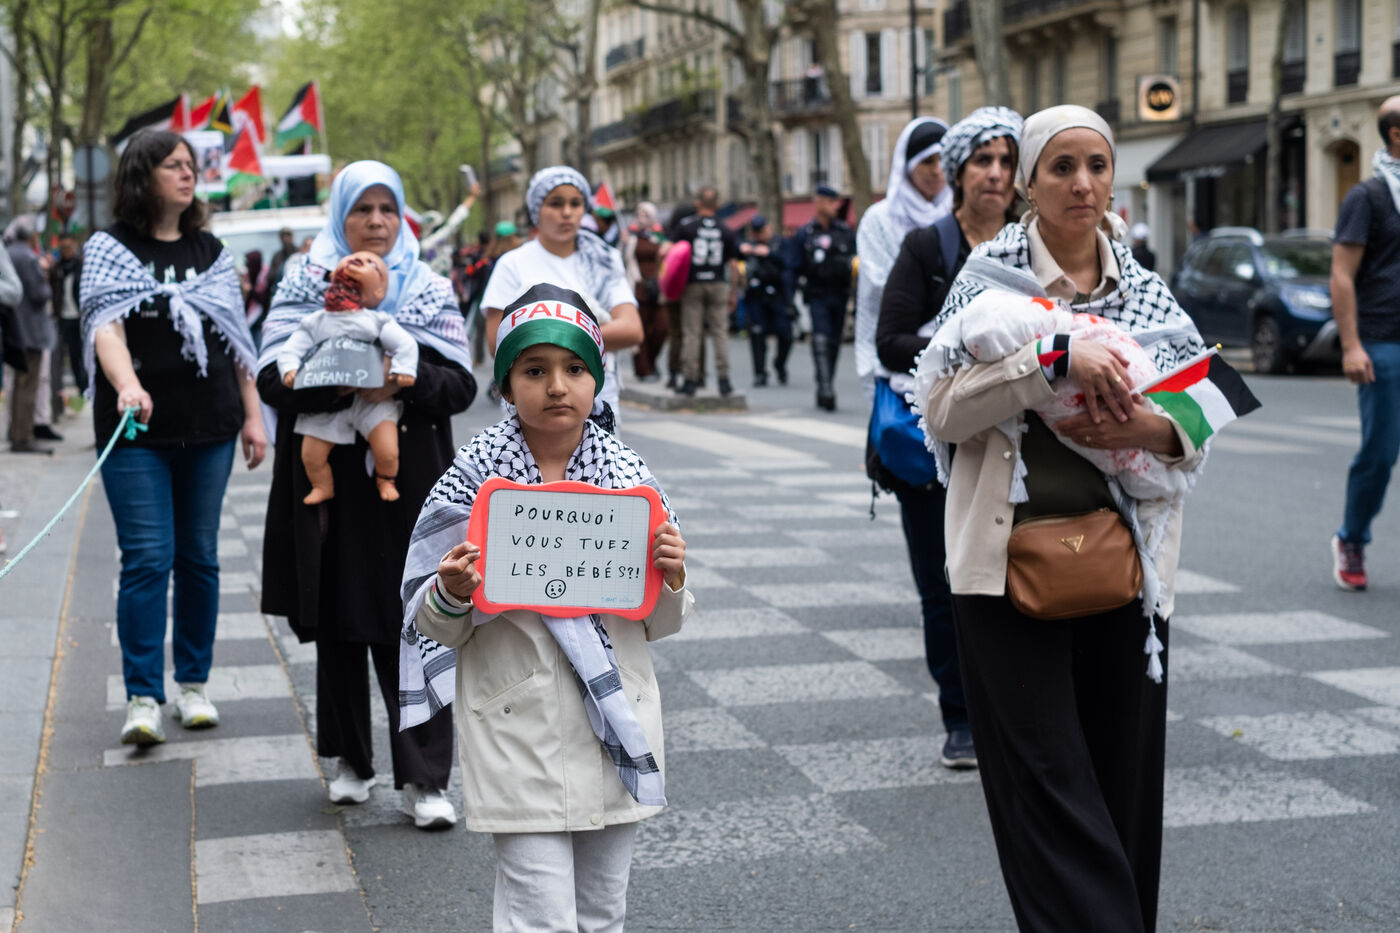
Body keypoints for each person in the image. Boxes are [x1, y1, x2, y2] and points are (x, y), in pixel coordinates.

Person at [914, 105, 1208, 933]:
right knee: (1044, 787)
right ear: (1029, 184)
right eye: (1062, 167)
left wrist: (1150, 428)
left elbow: (1204, 409)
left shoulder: (1146, 288)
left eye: (1097, 166)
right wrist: (1052, 358)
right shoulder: (986, 283)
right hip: (1003, 571)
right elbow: (941, 410)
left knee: (1122, 784)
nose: (1083, 183)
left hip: (1128, 570)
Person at [398, 282, 693, 932]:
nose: (557, 386)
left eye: (575, 368)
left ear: (597, 379)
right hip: (516, 732)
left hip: (614, 726)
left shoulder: (631, 483)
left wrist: (672, 577)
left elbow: (656, 622)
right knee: (540, 918)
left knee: (603, 913)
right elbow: (433, 623)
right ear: (506, 384)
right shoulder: (470, 484)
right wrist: (451, 591)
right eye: (534, 370)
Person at [257, 160, 476, 829]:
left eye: (387, 209)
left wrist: (400, 382)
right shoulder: (304, 284)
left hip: (408, 480)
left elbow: (459, 385)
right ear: (340, 217)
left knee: (418, 617)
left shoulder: (427, 288)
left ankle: (426, 778)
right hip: (329, 481)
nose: (376, 222)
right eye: (362, 209)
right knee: (340, 616)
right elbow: (272, 380)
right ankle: (352, 760)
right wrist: (346, 380)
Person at [78, 129, 267, 746]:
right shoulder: (109, 248)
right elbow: (105, 327)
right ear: (143, 174)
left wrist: (254, 416)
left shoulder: (209, 250)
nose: (188, 174)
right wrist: (127, 384)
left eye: (191, 166)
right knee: (147, 558)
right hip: (136, 431)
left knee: (199, 557)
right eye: (173, 165)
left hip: (210, 428)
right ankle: (141, 696)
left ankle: (193, 684)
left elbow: (236, 340)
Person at [874, 106, 1023, 770]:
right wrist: (963, 347)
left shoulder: (1031, 245)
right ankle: (960, 717)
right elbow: (889, 339)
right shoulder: (927, 247)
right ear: (958, 173)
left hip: (1015, 441)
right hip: (932, 440)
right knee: (945, 586)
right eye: (982, 160)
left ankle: (1012, 709)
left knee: (1015, 578)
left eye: (1007, 161)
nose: (995, 173)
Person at [481, 166, 642, 427]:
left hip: (598, 398)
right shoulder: (512, 264)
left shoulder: (605, 260)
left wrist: (543, 333)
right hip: (533, 407)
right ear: (537, 209)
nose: (567, 212)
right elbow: (496, 343)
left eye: (575, 203)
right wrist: (586, 335)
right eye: (555, 203)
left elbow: (632, 329)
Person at [1330, 94, 1400, 591]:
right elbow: (1341, 273)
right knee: (1380, 452)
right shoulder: (1368, 197)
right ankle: (1351, 538)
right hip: (1382, 340)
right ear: (1396, 134)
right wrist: (1352, 345)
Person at [855, 117, 951, 407]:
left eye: (943, 160)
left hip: (954, 363)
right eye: (927, 161)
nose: (937, 170)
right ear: (908, 165)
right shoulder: (879, 219)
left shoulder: (959, 215)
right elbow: (880, 287)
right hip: (895, 353)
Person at [671, 185, 741, 397]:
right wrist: (733, 291)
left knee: (692, 333)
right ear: (718, 205)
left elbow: (673, 256)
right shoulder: (726, 229)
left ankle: (690, 380)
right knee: (720, 332)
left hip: (693, 283)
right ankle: (724, 380)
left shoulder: (686, 227)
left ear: (697, 203)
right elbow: (733, 265)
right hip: (717, 283)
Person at [789, 183, 855, 409]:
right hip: (817, 294)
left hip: (840, 294)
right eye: (830, 201)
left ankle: (826, 381)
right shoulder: (805, 233)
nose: (834, 206)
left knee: (834, 341)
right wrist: (789, 300)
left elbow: (856, 263)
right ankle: (826, 387)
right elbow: (793, 268)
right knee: (820, 337)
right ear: (818, 203)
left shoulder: (845, 232)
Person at [7, 216, 54, 452]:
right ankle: (23, 436)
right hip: (31, 330)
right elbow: (39, 294)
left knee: (18, 383)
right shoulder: (28, 257)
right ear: (33, 235)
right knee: (28, 384)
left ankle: (15, 431)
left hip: (13, 327)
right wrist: (46, 277)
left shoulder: (9, 253)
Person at [740, 214, 792, 387]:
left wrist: (770, 254)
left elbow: (789, 263)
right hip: (756, 295)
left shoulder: (780, 244)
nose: (760, 235)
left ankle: (780, 364)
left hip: (778, 295)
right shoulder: (750, 245)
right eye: (756, 232)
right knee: (757, 333)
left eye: (762, 231)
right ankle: (760, 372)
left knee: (785, 334)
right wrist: (744, 249)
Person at [623, 201, 670, 382]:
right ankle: (643, 369)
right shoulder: (630, 236)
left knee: (661, 328)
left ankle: (651, 361)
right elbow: (622, 260)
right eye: (640, 214)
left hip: (658, 288)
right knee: (640, 329)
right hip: (638, 287)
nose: (642, 217)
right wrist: (624, 243)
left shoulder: (660, 237)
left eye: (646, 214)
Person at [50, 230, 86, 414]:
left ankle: (84, 388)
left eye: (68, 247)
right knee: (68, 356)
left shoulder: (81, 266)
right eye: (62, 247)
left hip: (79, 317)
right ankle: (73, 390)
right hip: (64, 317)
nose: (66, 250)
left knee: (82, 355)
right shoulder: (57, 268)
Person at [268, 226, 299, 294]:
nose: (285, 238)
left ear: (292, 237)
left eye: (288, 236)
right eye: (283, 236)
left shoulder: (299, 253)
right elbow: (271, 276)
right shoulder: (277, 256)